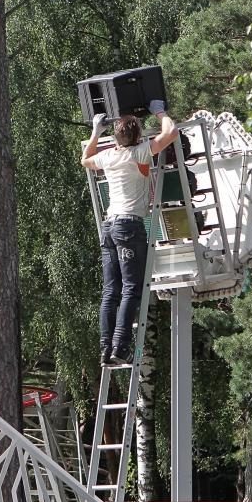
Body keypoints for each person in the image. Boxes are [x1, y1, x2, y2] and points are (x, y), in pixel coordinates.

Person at [81, 100, 179, 365]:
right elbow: (171, 133)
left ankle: (105, 348)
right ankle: (119, 348)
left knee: (110, 290)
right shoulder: (139, 153)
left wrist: (95, 132)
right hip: (129, 226)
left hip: (109, 226)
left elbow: (85, 159)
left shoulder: (110, 156)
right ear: (137, 136)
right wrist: (159, 112)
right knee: (130, 289)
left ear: (116, 136)